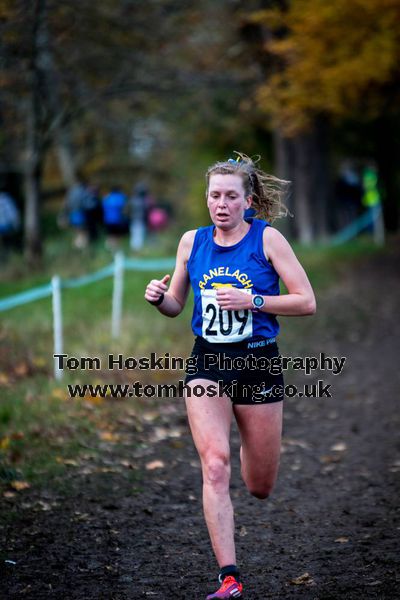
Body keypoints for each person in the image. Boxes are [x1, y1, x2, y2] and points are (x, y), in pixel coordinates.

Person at [144, 153, 316, 599]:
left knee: (259, 485)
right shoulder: (191, 242)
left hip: (259, 361)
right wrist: (158, 297)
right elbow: (176, 306)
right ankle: (230, 577)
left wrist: (254, 301)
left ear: (248, 200)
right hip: (208, 363)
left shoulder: (268, 240)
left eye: (231, 196)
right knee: (214, 467)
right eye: (215, 195)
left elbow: (306, 301)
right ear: (207, 199)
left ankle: (247, 440)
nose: (222, 204)